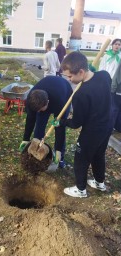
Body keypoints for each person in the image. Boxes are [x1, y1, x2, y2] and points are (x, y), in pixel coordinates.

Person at [59, 51, 113, 198]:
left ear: (81, 71)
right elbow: (102, 81)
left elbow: (76, 123)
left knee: (81, 158)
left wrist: (62, 122)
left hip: (92, 131)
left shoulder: (81, 94)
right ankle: (99, 182)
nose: (69, 80)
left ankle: (80, 189)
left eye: (70, 76)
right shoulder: (104, 75)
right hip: (107, 125)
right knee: (98, 154)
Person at [19, 76, 73, 167]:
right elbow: (30, 119)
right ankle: (36, 151)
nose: (39, 111)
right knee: (40, 124)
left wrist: (58, 150)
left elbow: (60, 127)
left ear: (47, 102)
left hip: (65, 92)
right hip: (46, 93)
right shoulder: (30, 100)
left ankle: (60, 158)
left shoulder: (59, 101)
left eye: (41, 109)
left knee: (59, 126)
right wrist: (25, 138)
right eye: (37, 110)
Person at [99, 38, 121, 132]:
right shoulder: (106, 56)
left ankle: (111, 124)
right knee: (104, 102)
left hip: (115, 84)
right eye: (115, 44)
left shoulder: (120, 57)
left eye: (119, 45)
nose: (117, 46)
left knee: (113, 105)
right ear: (112, 45)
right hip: (105, 81)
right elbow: (101, 68)